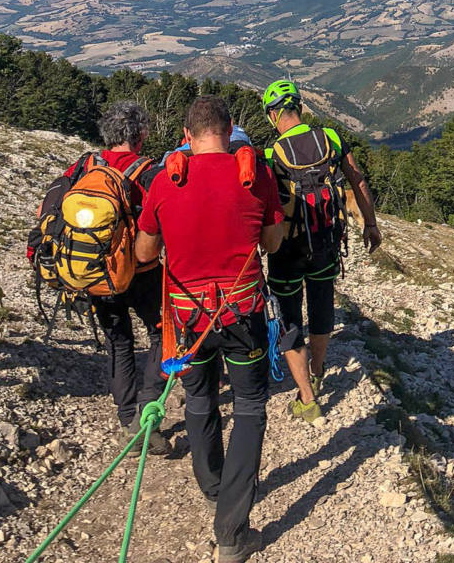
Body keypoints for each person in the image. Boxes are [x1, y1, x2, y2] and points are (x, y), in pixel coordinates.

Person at [136, 95, 284, 563]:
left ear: (186, 134)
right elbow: (273, 241)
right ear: (230, 128)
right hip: (241, 312)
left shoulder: (164, 180)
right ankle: (232, 532)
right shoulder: (255, 174)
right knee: (250, 406)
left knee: (199, 398)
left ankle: (213, 484)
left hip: (186, 315)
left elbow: (143, 253)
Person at [28, 100, 169, 454]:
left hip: (95, 273)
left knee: (118, 342)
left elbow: (46, 211)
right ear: (141, 135)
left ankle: (126, 418)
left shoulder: (84, 166)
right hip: (143, 272)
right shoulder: (150, 172)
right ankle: (146, 415)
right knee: (162, 332)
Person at [261, 79, 381, 423]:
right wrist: (370, 224)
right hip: (327, 240)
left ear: (273, 115)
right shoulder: (331, 139)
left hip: (286, 248)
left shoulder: (271, 155)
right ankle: (316, 369)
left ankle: (307, 397)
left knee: (289, 315)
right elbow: (357, 179)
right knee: (321, 302)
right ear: (298, 107)